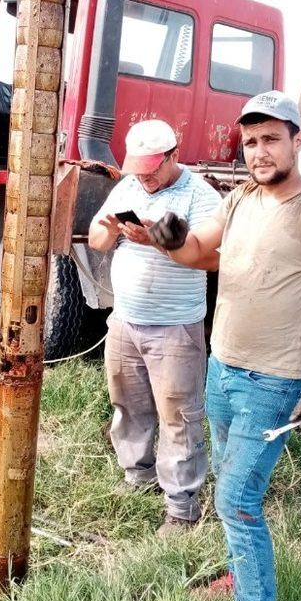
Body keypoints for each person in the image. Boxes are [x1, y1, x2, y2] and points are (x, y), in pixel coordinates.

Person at [145, 91, 301, 601]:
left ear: (298, 140)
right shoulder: (240, 198)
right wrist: (169, 238)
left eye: (271, 139)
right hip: (223, 370)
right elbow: (196, 252)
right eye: (250, 142)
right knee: (230, 493)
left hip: (277, 382)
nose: (259, 152)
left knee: (238, 501)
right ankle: (243, 580)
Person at [88, 119, 221, 537]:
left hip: (174, 327)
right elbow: (94, 240)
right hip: (126, 321)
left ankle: (181, 508)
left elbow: (214, 258)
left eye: (152, 169)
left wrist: (157, 241)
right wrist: (109, 230)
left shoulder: (201, 195)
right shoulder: (127, 187)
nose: (143, 177)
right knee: (128, 403)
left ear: (174, 156)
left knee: (179, 415)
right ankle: (138, 475)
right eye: (138, 169)